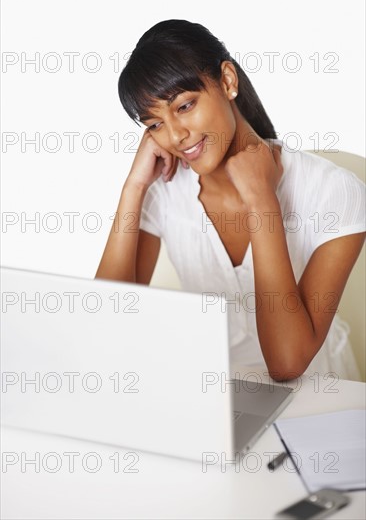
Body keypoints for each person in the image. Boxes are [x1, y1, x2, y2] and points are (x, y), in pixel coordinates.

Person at [95, 19, 365, 381]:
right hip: (215, 394)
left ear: (227, 81)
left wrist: (261, 201)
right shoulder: (162, 192)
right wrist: (133, 187)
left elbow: (287, 364)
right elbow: (104, 329)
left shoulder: (335, 190)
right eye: (154, 124)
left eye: (185, 106)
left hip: (319, 397)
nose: (176, 135)